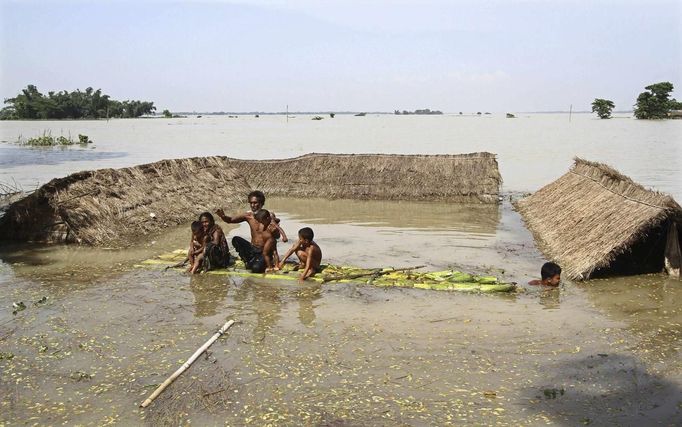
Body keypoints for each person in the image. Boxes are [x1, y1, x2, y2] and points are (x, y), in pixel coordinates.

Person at [216, 206, 273, 273]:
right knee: (236, 240)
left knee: (255, 269)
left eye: (255, 203)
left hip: (264, 252)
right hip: (253, 248)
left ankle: (261, 262)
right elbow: (230, 220)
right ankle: (247, 261)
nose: (253, 205)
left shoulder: (268, 218)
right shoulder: (248, 216)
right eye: (251, 203)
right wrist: (223, 216)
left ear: (261, 204)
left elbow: (276, 237)